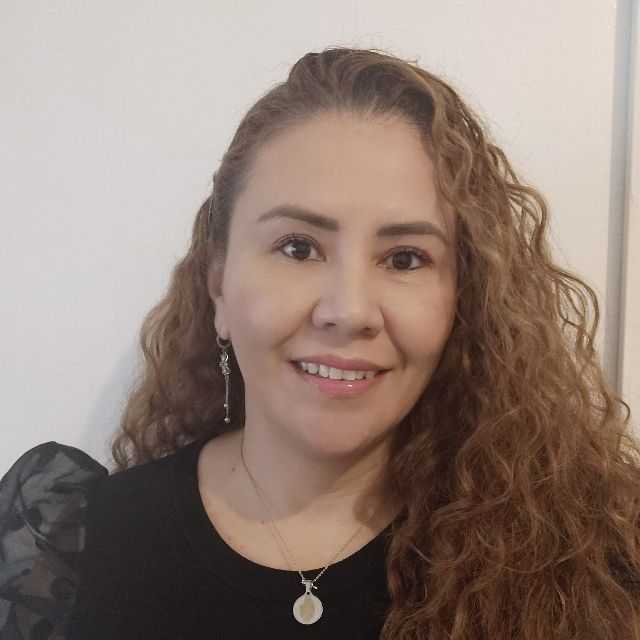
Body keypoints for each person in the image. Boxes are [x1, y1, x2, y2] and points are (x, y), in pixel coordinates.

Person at [1, 46, 639, 640]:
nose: (349, 311)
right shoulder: (62, 544)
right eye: (298, 247)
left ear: (463, 302)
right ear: (218, 286)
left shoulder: (595, 554)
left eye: (405, 258)